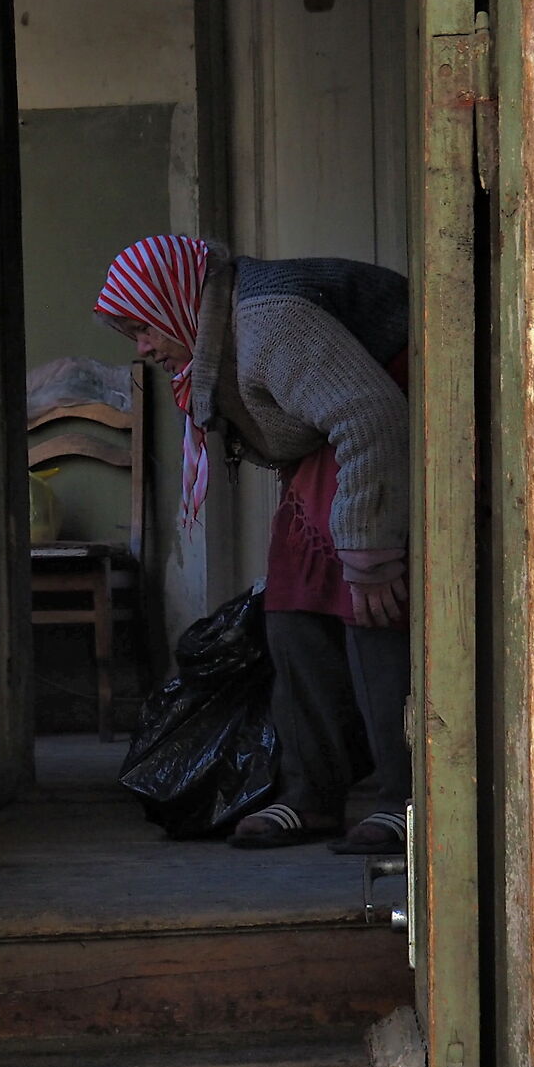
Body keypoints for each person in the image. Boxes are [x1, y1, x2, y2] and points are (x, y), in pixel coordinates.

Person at [96, 234, 410, 855]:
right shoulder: (218, 336)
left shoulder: (269, 322)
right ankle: (311, 796)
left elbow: (372, 417)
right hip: (335, 448)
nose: (145, 347)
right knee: (291, 611)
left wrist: (370, 553)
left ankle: (406, 801)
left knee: (373, 609)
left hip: (386, 442)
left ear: (176, 300)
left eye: (144, 328)